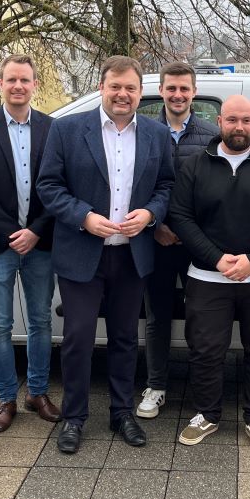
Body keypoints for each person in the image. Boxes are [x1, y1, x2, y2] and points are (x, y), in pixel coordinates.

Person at [36, 55, 174, 453]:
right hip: (83, 252)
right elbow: (49, 187)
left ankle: (121, 412)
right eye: (115, 86)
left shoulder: (155, 134)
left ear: (140, 93)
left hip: (131, 255)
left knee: (126, 338)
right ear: (102, 87)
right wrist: (84, 218)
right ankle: (74, 418)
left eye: (130, 88)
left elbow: (166, 185)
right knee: (78, 338)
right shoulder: (67, 130)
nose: (122, 94)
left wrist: (150, 214)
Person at [168, 95, 250, 452]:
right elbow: (181, 216)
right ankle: (208, 414)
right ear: (220, 121)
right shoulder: (196, 165)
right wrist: (216, 258)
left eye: (246, 121)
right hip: (208, 277)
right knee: (206, 350)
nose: (238, 127)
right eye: (231, 120)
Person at [0, 55, 59, 433]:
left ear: (35, 84)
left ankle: (37, 393)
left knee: (39, 321)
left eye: (25, 80)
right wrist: (11, 233)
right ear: (0, 82)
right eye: (11, 80)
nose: (18, 86)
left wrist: (35, 230)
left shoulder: (54, 129)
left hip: (41, 242)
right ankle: (5, 398)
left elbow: (59, 186)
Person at [137, 62, 218, 420]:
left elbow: (217, 193)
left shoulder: (210, 134)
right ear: (162, 91)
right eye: (171, 88)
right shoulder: (144, 132)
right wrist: (155, 226)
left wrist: (192, 234)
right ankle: (156, 386)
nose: (178, 95)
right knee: (157, 316)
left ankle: (201, 390)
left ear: (194, 92)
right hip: (155, 239)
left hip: (196, 245)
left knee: (201, 318)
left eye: (184, 89)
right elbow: (137, 186)